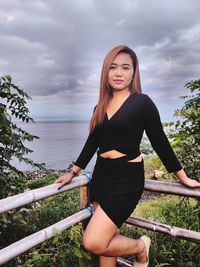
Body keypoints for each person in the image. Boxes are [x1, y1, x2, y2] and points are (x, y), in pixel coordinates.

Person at [54, 45, 200, 267]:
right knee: (107, 243)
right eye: (113, 67)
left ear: (134, 72)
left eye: (125, 67)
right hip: (102, 176)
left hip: (126, 180)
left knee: (94, 241)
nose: (118, 73)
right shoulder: (99, 107)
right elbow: (92, 143)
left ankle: (140, 247)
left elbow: (160, 142)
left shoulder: (142, 103)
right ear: (106, 72)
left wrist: (183, 177)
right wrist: (72, 172)